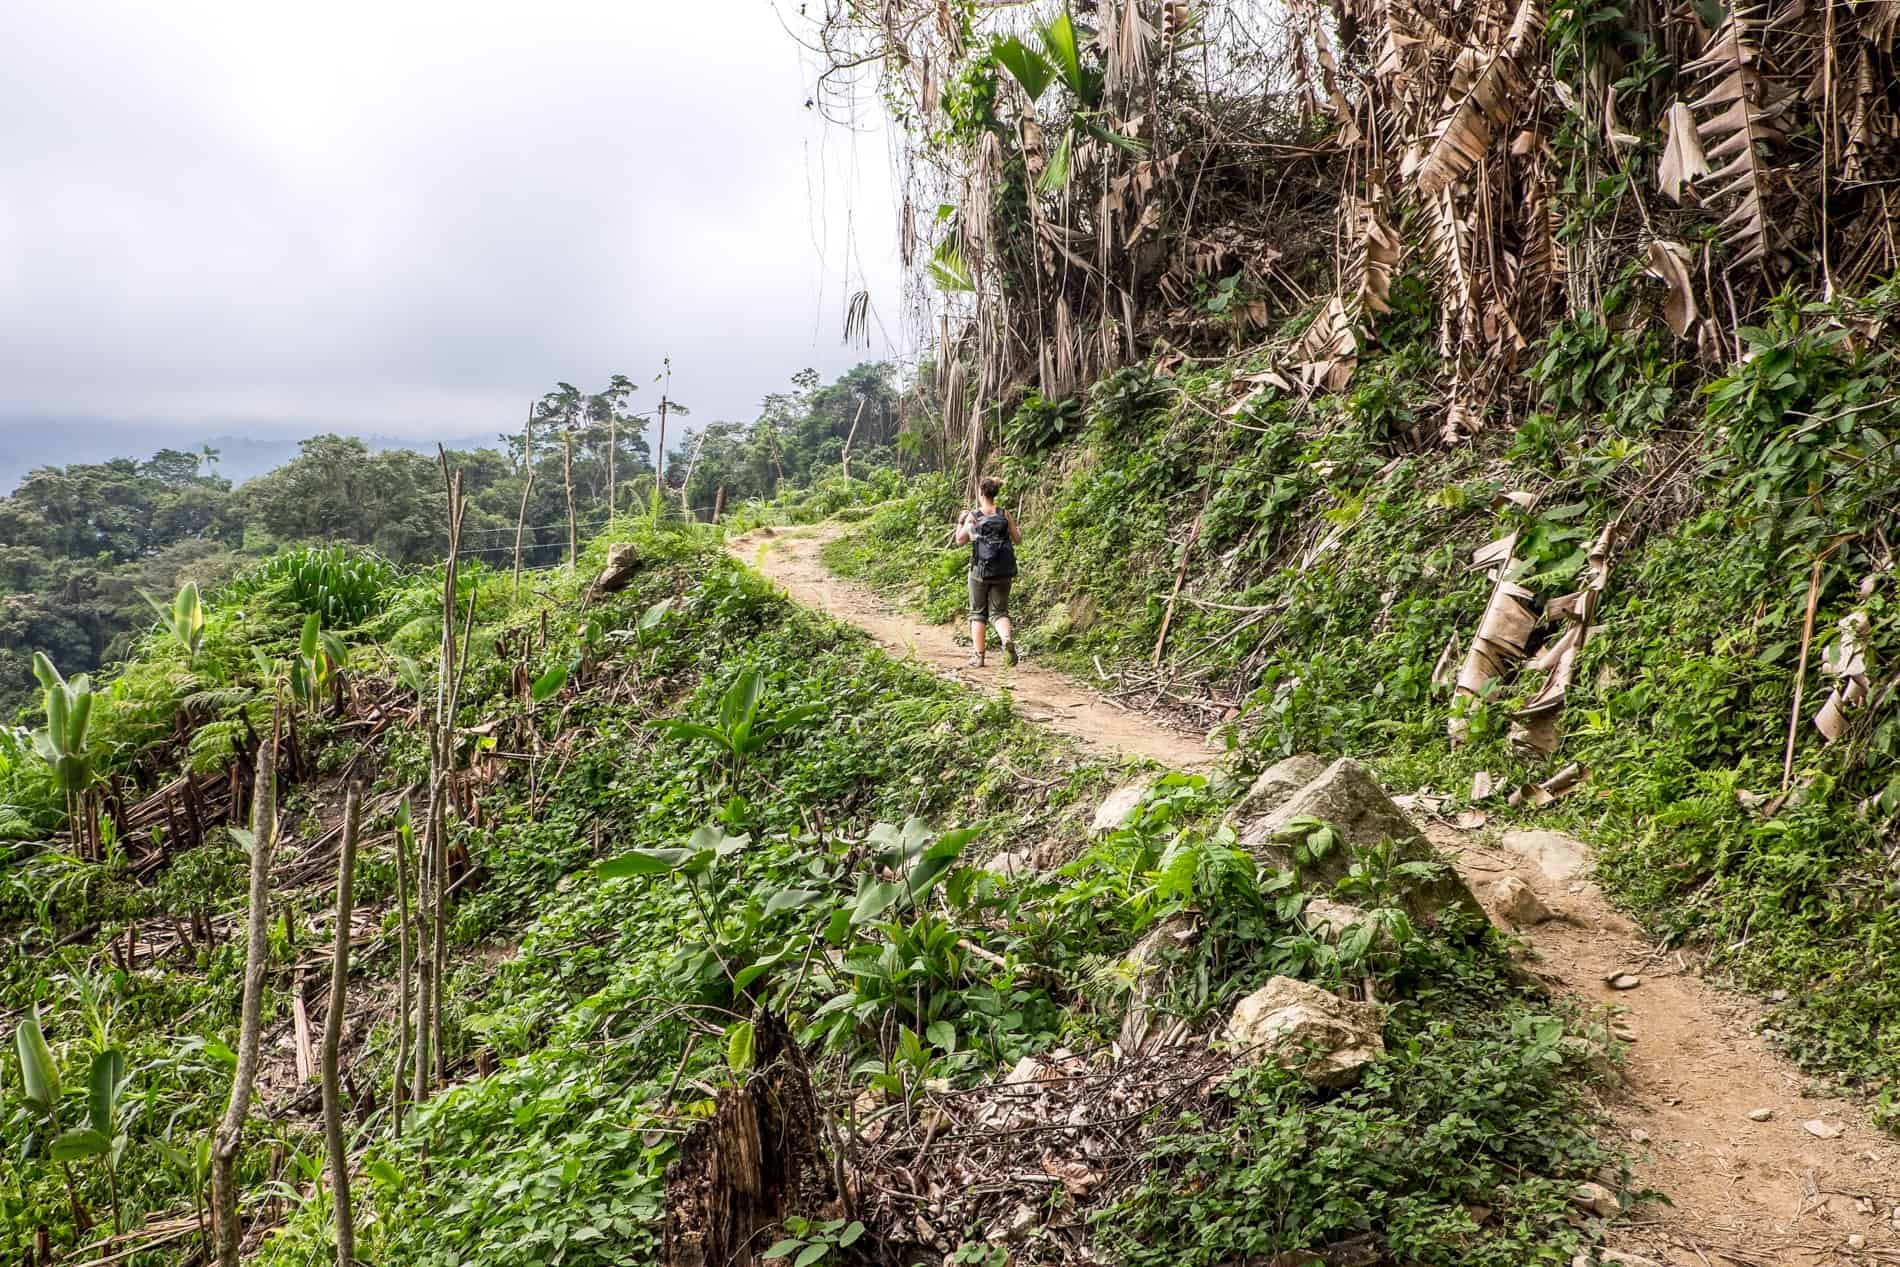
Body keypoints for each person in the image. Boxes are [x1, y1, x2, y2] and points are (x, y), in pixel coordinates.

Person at [954, 474, 1023, 667]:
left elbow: (960, 540)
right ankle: (1005, 639)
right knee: (1000, 612)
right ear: (995, 493)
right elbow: (1018, 539)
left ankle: (979, 656)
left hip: (979, 571)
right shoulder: (1004, 514)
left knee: (978, 613)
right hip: (1003, 570)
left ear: (981, 493)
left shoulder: (974, 516)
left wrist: (960, 522)